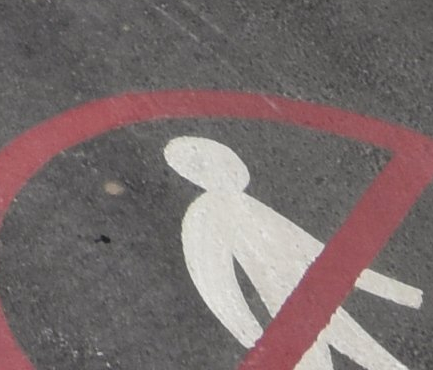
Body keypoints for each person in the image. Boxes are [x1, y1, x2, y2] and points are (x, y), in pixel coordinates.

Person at [163, 133, 415, 365]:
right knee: (327, 359)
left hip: (314, 296)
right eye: (220, 163)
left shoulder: (248, 204)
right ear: (198, 174)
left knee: (371, 354)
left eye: (228, 159)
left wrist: (396, 291)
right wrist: (248, 331)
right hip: (284, 312)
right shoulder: (205, 214)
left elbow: (317, 252)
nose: (234, 166)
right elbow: (215, 282)